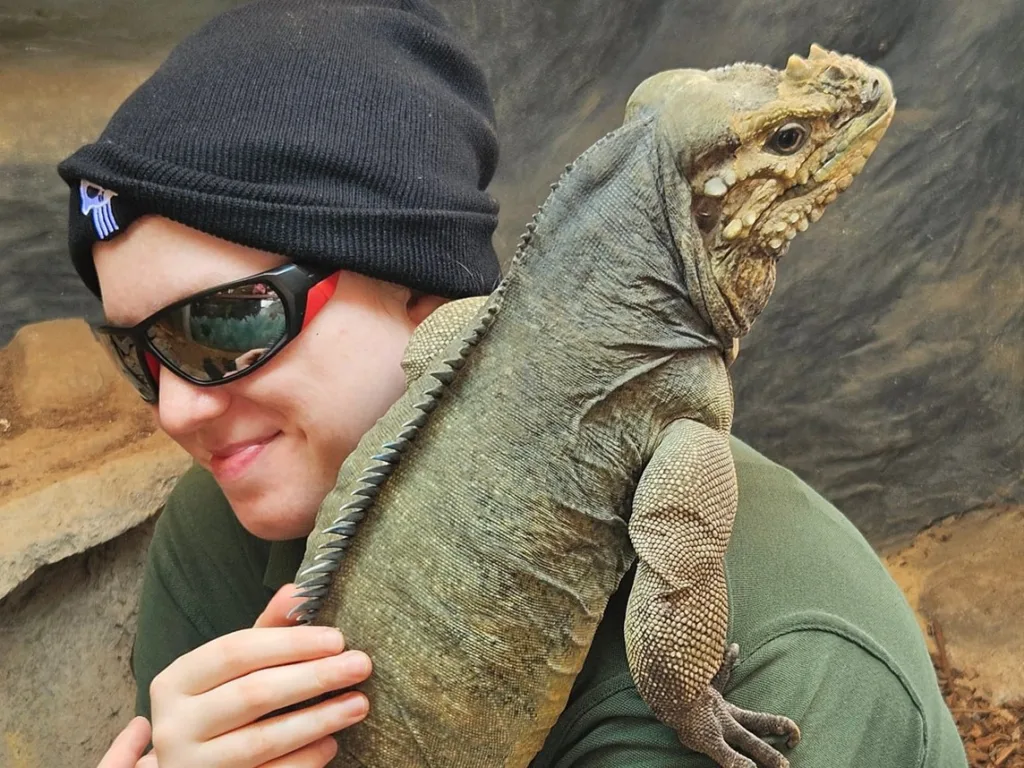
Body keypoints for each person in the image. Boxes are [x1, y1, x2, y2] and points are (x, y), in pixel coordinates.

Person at [57, 0, 968, 766]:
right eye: (137, 355)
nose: (175, 410)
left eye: (228, 323)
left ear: (426, 294)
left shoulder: (784, 667)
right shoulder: (217, 529)